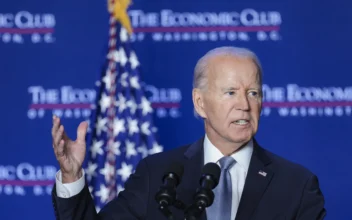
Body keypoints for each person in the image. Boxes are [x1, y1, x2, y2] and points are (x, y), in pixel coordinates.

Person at [51, 46, 326, 220]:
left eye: (253, 93)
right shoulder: (156, 174)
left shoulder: (297, 185)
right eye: (230, 93)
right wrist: (72, 177)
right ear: (199, 102)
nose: (244, 105)